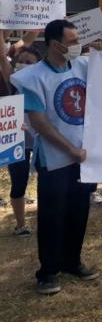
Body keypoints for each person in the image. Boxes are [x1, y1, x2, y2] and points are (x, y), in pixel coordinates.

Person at [11, 19, 102, 294]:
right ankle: (48, 272)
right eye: (73, 41)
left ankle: (72, 261)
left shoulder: (83, 67)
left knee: (79, 210)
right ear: (55, 44)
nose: (77, 46)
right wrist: (69, 149)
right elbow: (39, 122)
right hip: (54, 159)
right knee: (52, 215)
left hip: (82, 156)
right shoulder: (33, 77)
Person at [0, 35, 40, 236]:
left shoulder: (44, 83)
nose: (24, 65)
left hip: (43, 139)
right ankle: (21, 224)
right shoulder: (12, 83)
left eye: (30, 62)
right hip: (19, 142)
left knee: (48, 180)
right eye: (21, 61)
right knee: (19, 182)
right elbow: (2, 57)